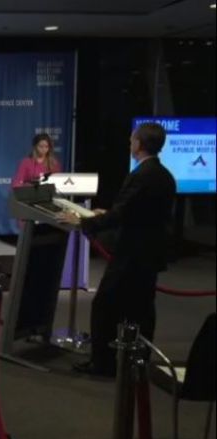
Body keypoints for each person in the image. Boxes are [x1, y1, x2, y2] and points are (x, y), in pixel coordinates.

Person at [59, 123, 176, 377]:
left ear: (139, 144)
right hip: (150, 253)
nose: (130, 143)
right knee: (141, 308)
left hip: (132, 254)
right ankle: (137, 360)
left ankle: (102, 363)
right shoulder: (165, 175)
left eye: (132, 139)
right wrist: (107, 214)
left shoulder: (142, 175)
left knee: (105, 305)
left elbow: (124, 213)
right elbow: (138, 211)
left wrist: (83, 222)